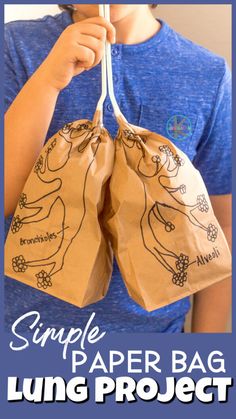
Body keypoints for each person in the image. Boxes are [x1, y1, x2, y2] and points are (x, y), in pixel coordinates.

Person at [4, 4, 232, 333]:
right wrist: (48, 82)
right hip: (27, 333)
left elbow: (222, 226)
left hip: (154, 348)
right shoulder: (16, 47)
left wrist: (206, 348)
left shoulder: (206, 75)